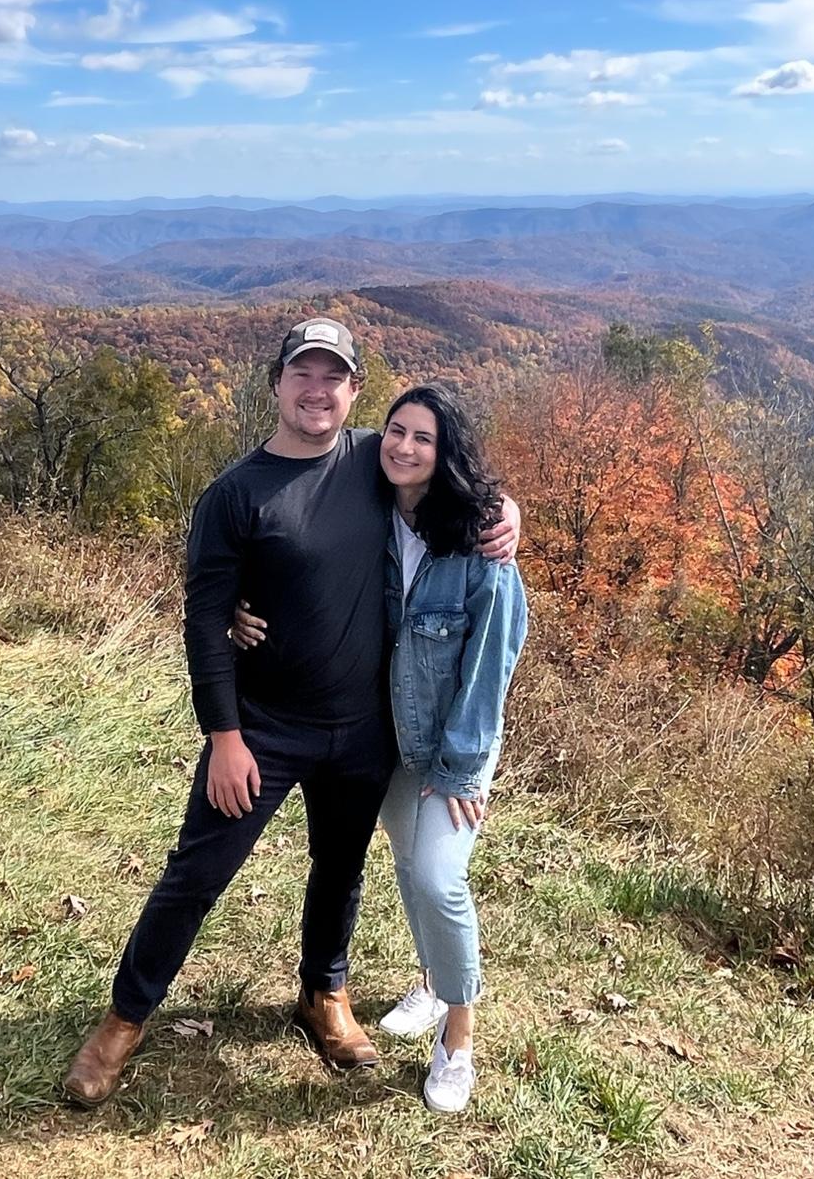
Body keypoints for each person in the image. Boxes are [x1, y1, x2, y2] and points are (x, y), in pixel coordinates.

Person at [63, 318, 519, 1108]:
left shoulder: (375, 459)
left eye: (333, 377)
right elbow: (204, 622)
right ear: (276, 383)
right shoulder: (235, 495)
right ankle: (124, 1019)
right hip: (263, 729)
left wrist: (507, 512)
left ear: (354, 391)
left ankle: (323, 993)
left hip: (364, 730)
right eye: (302, 374)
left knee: (340, 869)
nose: (317, 391)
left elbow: (447, 472)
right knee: (195, 875)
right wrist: (225, 736)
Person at [235, 382, 527, 1114]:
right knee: (404, 861)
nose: (403, 447)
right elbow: (286, 525)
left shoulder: (478, 543)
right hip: (381, 734)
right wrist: (236, 601)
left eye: (424, 438)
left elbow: (492, 661)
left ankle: (458, 1035)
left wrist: (461, 769)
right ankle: (428, 982)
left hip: (450, 740)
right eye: (396, 431)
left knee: (438, 877)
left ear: (446, 452)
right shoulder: (367, 499)